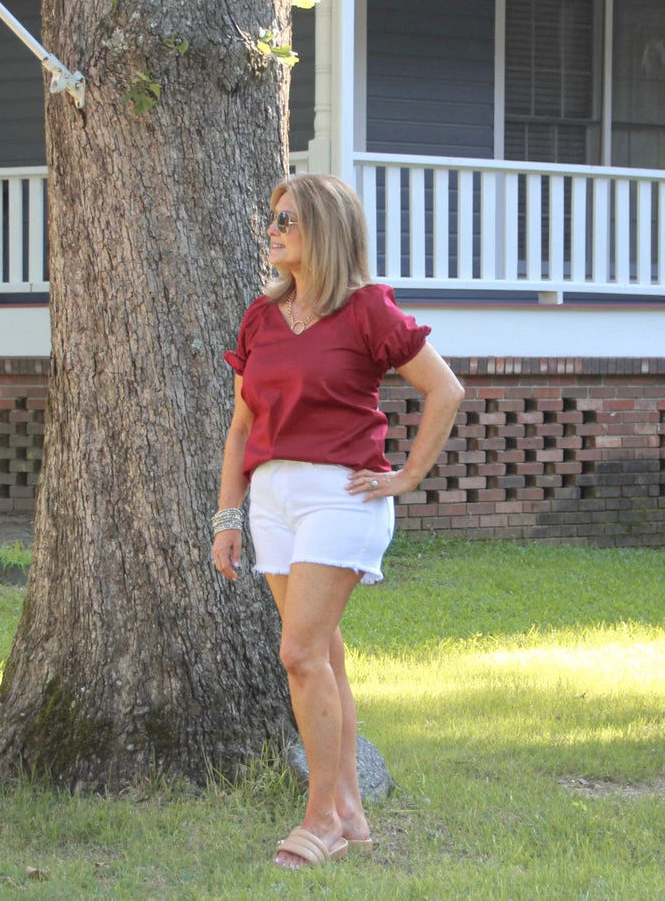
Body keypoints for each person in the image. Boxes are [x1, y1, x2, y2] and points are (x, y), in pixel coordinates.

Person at [211, 173, 464, 869]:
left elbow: (445, 389)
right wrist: (227, 516)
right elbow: (240, 428)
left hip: (341, 497)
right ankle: (350, 808)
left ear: (321, 227)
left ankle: (319, 817)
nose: (272, 229)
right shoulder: (261, 318)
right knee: (323, 654)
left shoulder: (366, 310)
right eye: (272, 217)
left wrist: (407, 475)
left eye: (285, 218)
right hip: (273, 499)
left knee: (299, 653)